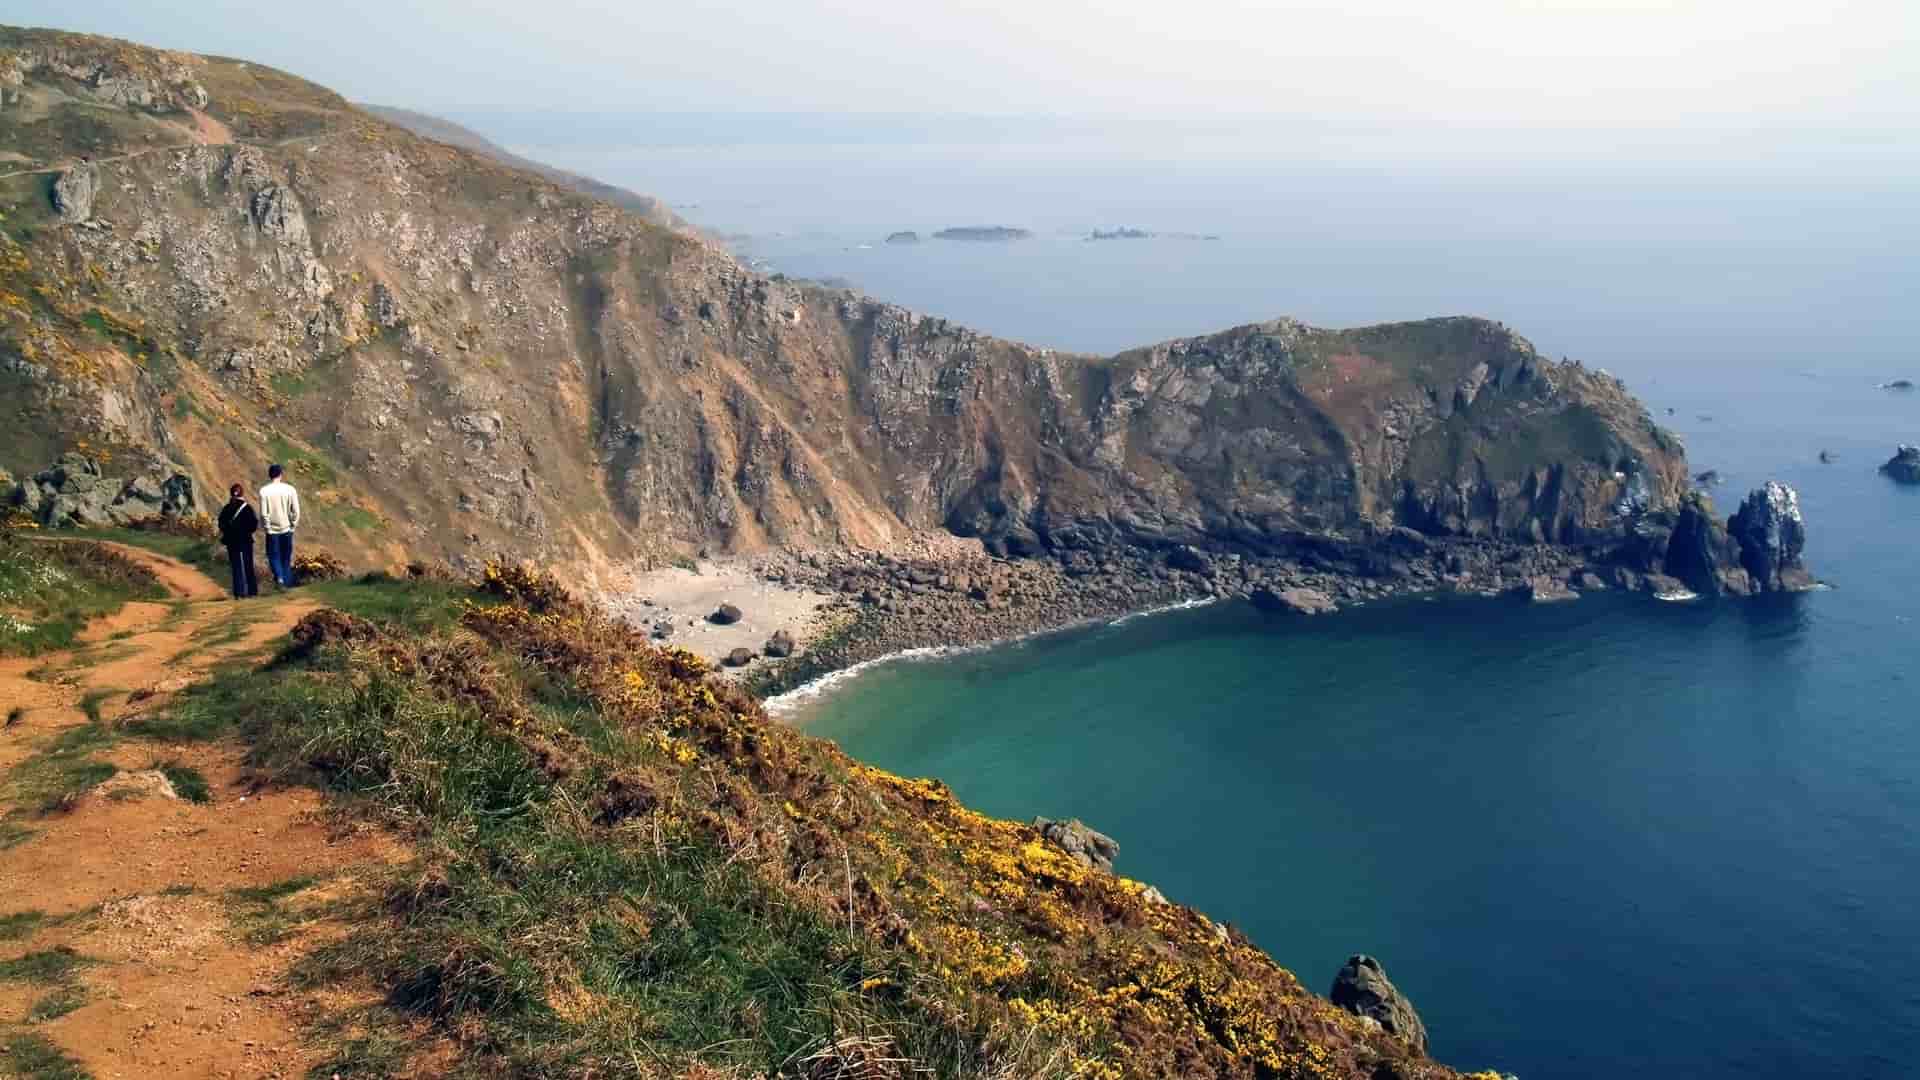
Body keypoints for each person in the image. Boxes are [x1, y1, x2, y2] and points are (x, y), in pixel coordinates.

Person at [259, 463, 301, 588]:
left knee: (273, 556)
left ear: (269, 475)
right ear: (281, 475)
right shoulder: (290, 489)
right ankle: (287, 584)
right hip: (287, 528)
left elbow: (264, 513)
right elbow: (296, 512)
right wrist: (293, 525)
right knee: (286, 557)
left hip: (272, 530)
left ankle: (279, 577)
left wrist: (267, 528)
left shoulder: (264, 491)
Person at [216, 484, 259, 599]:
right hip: (245, 540)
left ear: (231, 493)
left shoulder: (226, 508)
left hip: (232, 541)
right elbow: (254, 524)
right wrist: (246, 531)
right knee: (248, 565)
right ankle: (252, 591)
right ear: (242, 493)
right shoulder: (247, 508)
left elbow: (221, 524)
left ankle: (238, 593)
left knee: (236, 566)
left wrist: (229, 532)